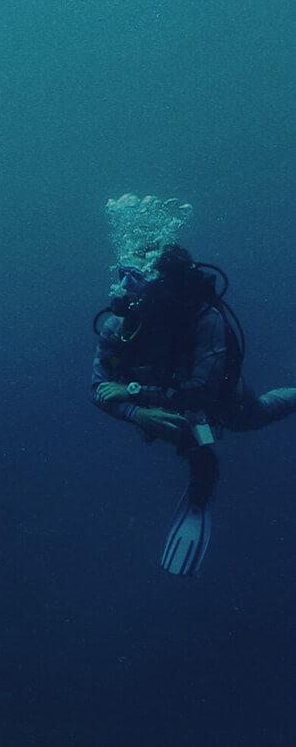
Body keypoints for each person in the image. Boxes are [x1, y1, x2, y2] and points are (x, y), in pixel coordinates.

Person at [91, 242, 296, 575]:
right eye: (123, 274)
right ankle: (201, 469)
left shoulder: (203, 317)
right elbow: (97, 388)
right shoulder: (118, 325)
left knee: (254, 416)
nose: (126, 286)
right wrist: (138, 414)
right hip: (164, 403)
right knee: (188, 434)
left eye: (138, 276)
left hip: (220, 400)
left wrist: (134, 392)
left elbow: (203, 391)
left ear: (164, 281)